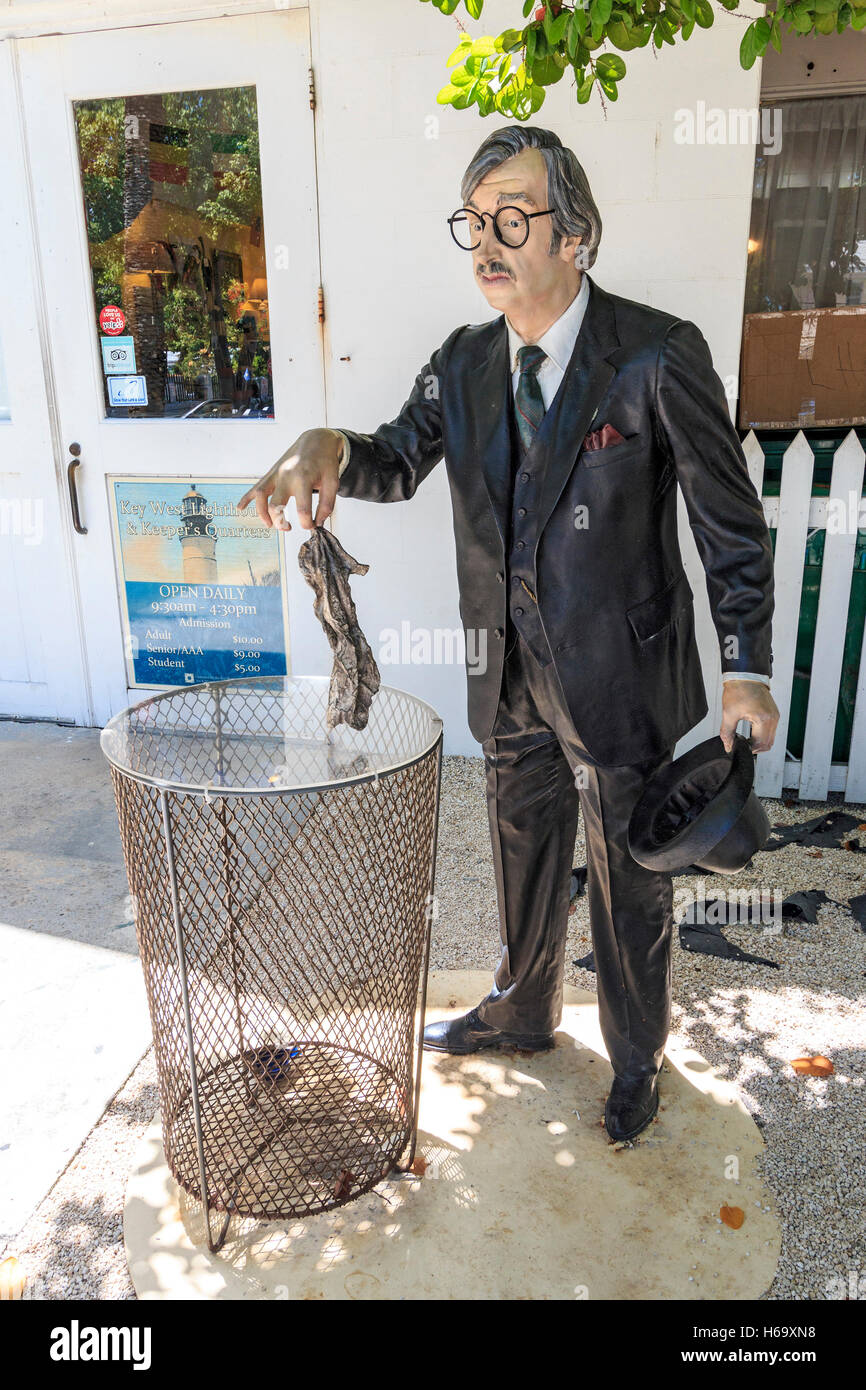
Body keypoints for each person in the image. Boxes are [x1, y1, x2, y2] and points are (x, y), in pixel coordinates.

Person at [238, 125, 779, 1142]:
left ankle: (633, 1054)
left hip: (619, 674)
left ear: (574, 234)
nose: (487, 241)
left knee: (630, 875)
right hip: (503, 667)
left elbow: (726, 523)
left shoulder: (656, 355)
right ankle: (523, 1009)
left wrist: (742, 666)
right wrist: (329, 447)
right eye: (474, 222)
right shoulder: (462, 363)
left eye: (512, 218)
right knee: (520, 846)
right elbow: (396, 460)